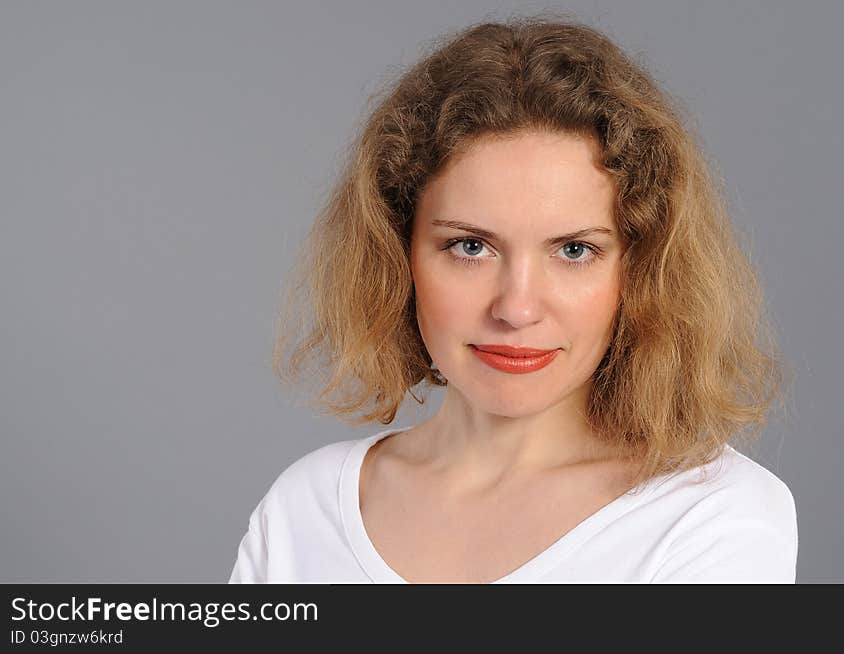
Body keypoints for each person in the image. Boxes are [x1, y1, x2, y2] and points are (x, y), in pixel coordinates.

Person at [228, 15, 798, 584]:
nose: (517, 308)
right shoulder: (304, 510)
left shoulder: (713, 518)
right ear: (397, 255)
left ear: (640, 268)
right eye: (470, 246)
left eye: (573, 250)